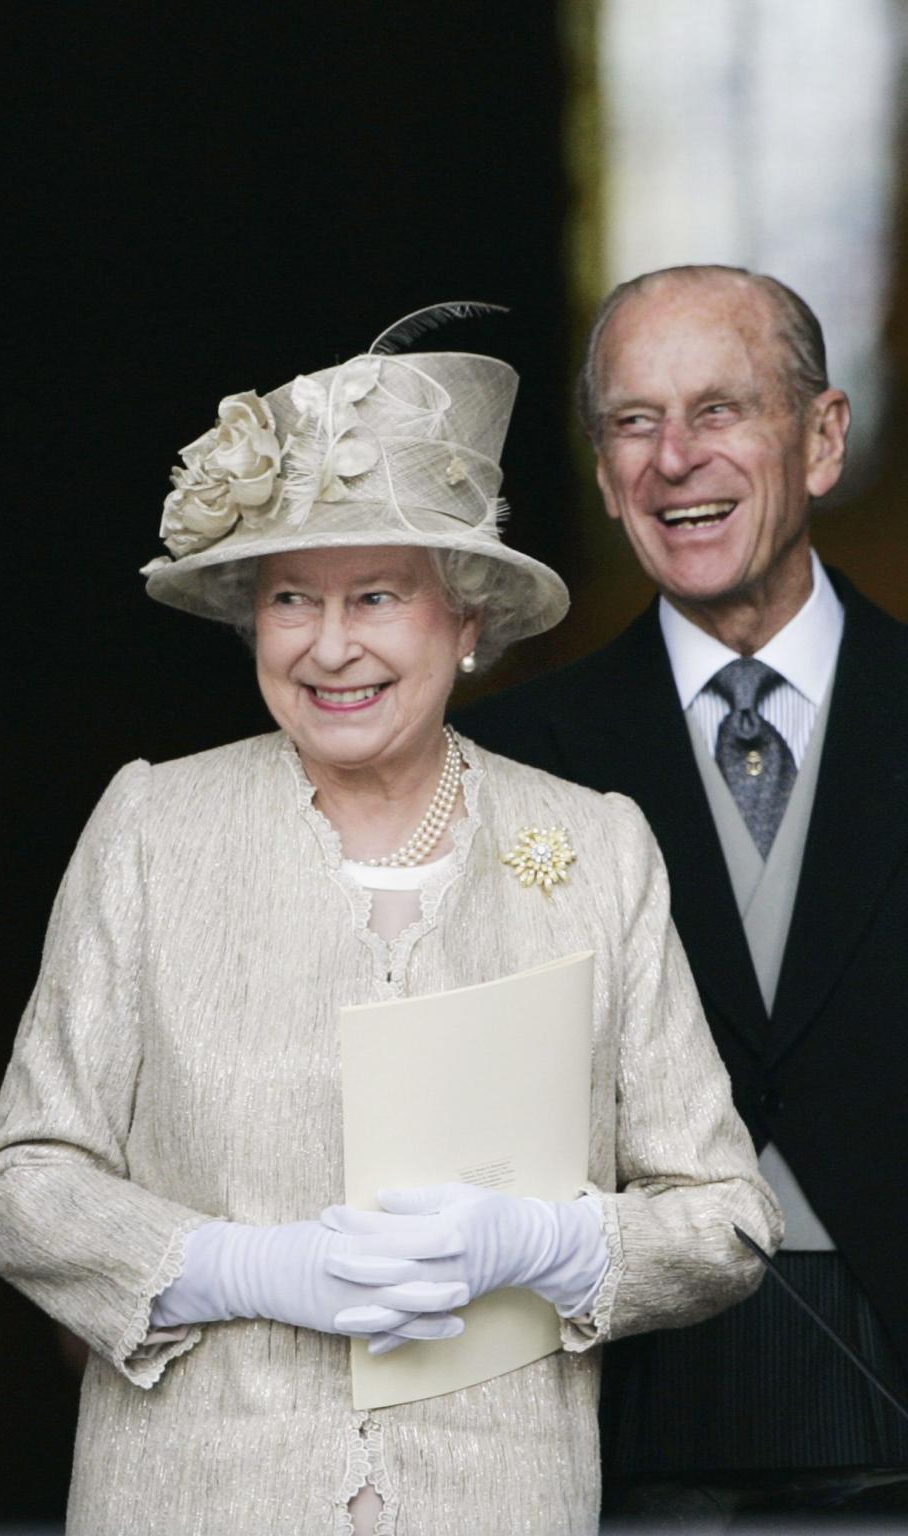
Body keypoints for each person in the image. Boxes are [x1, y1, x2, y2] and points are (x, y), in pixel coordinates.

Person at [0, 308, 780, 1536]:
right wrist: (239, 1269)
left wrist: (547, 1247)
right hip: (192, 1497)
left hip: (494, 1499)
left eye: (381, 596)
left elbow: (725, 1217)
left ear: (467, 626)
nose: (330, 646)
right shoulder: (151, 828)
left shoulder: (598, 846)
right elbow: (20, 1183)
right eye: (293, 598)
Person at [456, 266, 908, 1524]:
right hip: (609, 1392)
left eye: (719, 410)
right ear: (602, 472)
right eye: (633, 423)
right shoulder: (506, 762)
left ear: (821, 440)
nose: (672, 459)